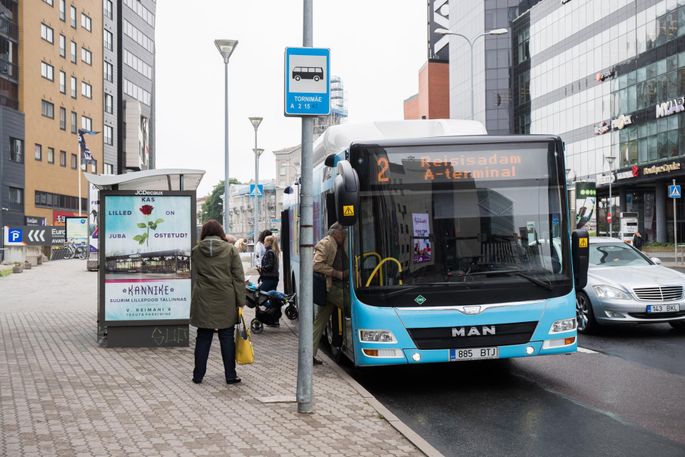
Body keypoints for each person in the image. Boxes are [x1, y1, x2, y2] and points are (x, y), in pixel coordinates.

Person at [190, 219, 246, 385]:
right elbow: (238, 277)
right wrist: (241, 301)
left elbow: (197, 272)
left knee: (203, 336)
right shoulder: (230, 250)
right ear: (220, 232)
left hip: (203, 298)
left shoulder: (196, 250)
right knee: (227, 337)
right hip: (225, 298)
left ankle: (198, 376)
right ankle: (230, 375)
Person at [312, 223, 347, 365]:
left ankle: (309, 355)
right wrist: (337, 274)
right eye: (342, 234)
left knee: (319, 323)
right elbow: (316, 265)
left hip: (334, 288)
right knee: (353, 305)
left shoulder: (340, 244)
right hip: (331, 288)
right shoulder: (326, 243)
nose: (344, 236)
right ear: (336, 234)